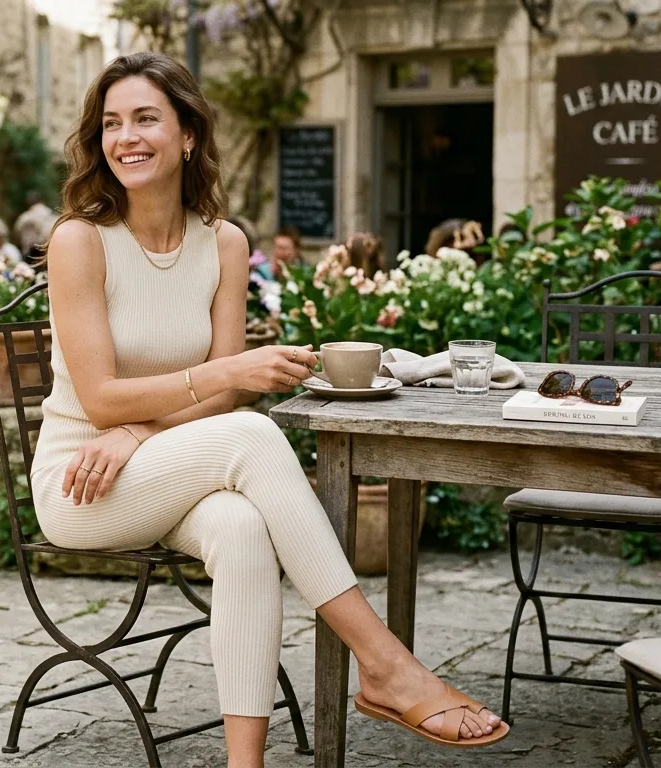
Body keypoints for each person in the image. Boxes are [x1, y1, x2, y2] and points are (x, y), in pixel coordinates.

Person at [36, 52, 506, 766]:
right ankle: (384, 663)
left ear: (188, 134)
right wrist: (188, 392)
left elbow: (220, 396)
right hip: (83, 480)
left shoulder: (223, 242)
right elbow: (103, 396)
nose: (125, 137)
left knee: (246, 527)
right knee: (254, 435)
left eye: (145, 119)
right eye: (111, 124)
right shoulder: (79, 240)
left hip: (157, 462)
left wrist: (139, 429)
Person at [13, 191, 57, 257]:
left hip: (29, 250)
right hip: (45, 248)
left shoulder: (24, 217)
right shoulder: (49, 213)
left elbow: (17, 230)